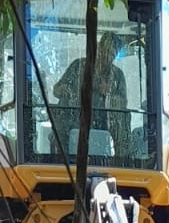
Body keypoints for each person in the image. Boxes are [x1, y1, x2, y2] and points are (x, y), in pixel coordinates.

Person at [53, 29, 130, 157]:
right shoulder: (78, 66)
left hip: (103, 124)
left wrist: (109, 94)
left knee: (124, 117)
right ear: (99, 47)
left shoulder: (117, 75)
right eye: (106, 51)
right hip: (75, 121)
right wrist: (63, 90)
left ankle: (122, 160)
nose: (108, 57)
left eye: (112, 54)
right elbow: (56, 90)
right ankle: (61, 159)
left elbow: (123, 103)